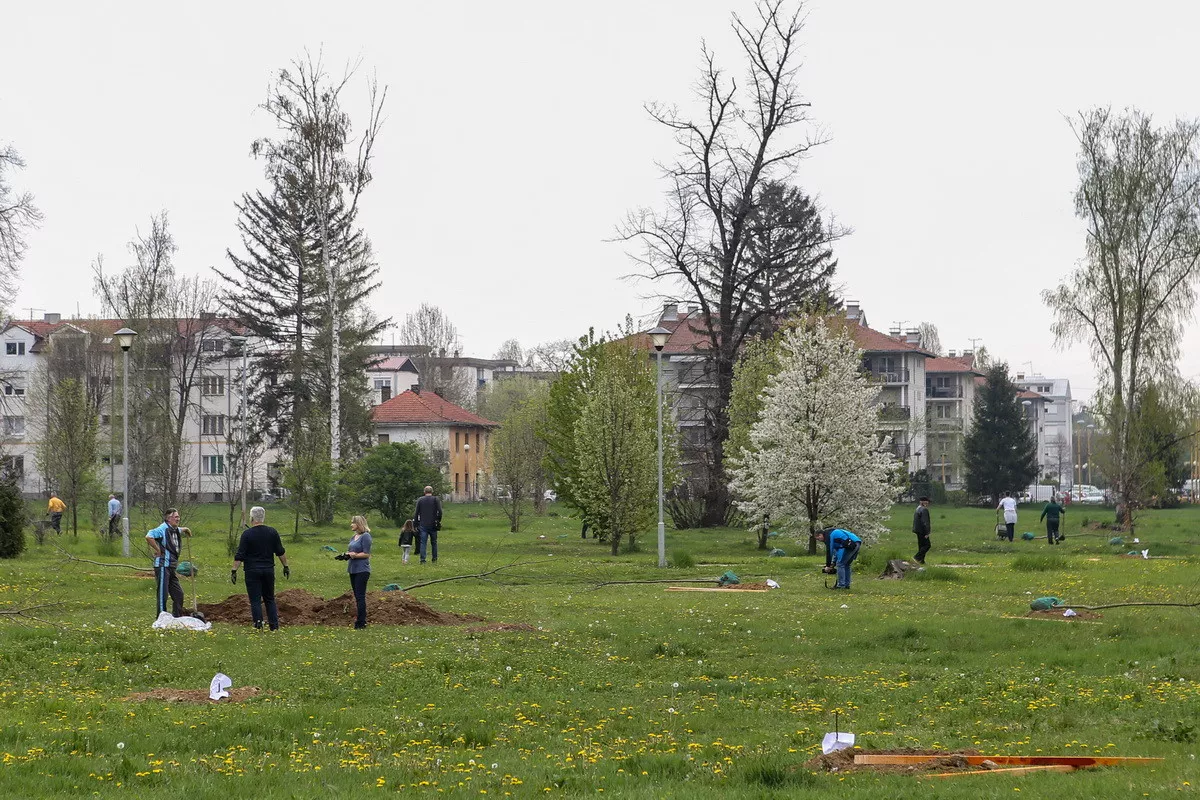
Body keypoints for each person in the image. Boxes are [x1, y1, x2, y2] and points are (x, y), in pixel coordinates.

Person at [231, 506, 290, 630]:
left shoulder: (247, 534)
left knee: (255, 600)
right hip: (268, 570)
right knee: (269, 598)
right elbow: (280, 551)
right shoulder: (272, 532)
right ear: (263, 518)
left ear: (252, 518)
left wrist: (234, 570)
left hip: (252, 571)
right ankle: (274, 626)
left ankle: (258, 625)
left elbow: (240, 555)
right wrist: (286, 566)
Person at [146, 508, 191, 618]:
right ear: (169, 518)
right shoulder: (162, 528)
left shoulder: (174, 529)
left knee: (179, 594)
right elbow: (149, 536)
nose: (178, 519)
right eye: (176, 517)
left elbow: (178, 529)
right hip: (162, 566)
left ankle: (176, 617)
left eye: (178, 517)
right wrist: (158, 550)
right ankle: (161, 619)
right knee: (163, 595)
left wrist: (186, 529)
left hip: (171, 567)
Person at [342, 515, 372, 629]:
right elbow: (351, 551)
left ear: (359, 524)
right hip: (352, 569)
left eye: (353, 523)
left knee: (360, 596)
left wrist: (355, 555)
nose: (351, 525)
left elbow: (366, 553)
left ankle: (361, 622)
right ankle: (360, 620)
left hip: (362, 570)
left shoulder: (366, 537)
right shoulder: (353, 537)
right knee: (356, 595)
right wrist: (346, 555)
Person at [413, 485, 443, 564]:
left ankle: (423, 560)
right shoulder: (435, 499)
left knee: (423, 542)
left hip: (423, 524)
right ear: (432, 492)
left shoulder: (420, 500)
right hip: (433, 524)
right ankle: (434, 559)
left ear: (424, 492)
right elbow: (440, 511)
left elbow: (416, 513)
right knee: (434, 542)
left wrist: (415, 524)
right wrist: (438, 520)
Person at [912, 496, 932, 565]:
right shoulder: (924, 510)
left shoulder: (917, 509)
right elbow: (925, 522)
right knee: (927, 545)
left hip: (918, 530)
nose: (927, 503)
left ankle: (921, 561)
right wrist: (927, 532)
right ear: (922, 502)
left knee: (921, 546)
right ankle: (917, 557)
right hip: (923, 531)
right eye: (926, 501)